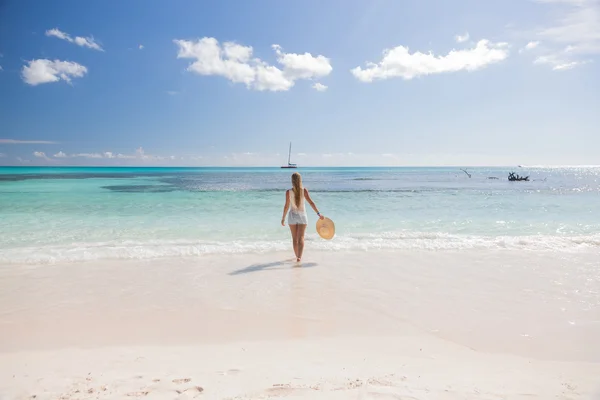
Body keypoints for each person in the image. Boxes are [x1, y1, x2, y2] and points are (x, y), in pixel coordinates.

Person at [281, 172, 324, 262]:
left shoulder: (288, 192)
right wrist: (319, 214)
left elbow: (286, 206)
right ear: (300, 180)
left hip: (292, 216)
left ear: (292, 181)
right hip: (302, 216)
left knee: (294, 238)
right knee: (301, 238)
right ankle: (299, 257)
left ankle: (296, 255)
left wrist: (283, 218)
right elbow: (311, 202)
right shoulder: (304, 190)